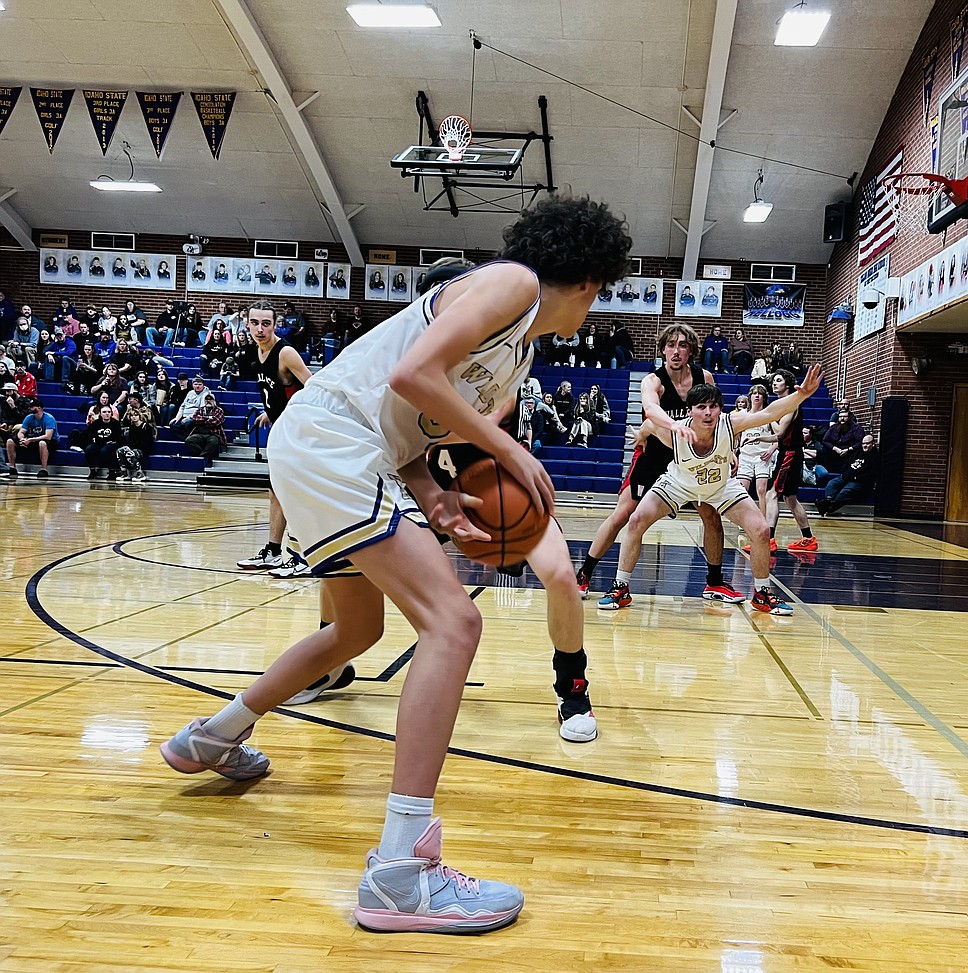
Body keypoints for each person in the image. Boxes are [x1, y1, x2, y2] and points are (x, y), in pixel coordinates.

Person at [158, 195, 631, 935]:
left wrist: (437, 495)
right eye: (603, 291)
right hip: (333, 443)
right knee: (455, 622)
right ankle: (401, 874)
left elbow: (408, 429)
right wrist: (508, 447)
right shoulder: (512, 285)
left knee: (354, 632)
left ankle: (213, 735)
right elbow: (413, 372)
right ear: (590, 281)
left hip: (346, 452)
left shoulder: (520, 351)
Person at [598, 371, 822, 616]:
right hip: (678, 483)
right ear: (689, 410)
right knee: (635, 521)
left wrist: (802, 395)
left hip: (720, 486)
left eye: (713, 407)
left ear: (720, 409)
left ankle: (761, 593)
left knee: (761, 529)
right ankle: (621, 587)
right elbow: (650, 422)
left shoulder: (730, 423)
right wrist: (641, 435)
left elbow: (771, 413)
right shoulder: (676, 430)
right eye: (701, 407)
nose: (707, 413)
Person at [576, 323, 739, 604]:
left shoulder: (705, 378)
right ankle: (584, 574)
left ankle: (714, 582)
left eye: (683, 345)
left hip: (693, 457)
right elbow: (650, 410)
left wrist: (728, 449)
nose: (676, 351)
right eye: (671, 345)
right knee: (624, 514)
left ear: (691, 351)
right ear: (662, 349)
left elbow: (718, 417)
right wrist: (675, 427)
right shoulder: (654, 381)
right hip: (656, 452)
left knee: (710, 515)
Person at [235, 300, 314, 578]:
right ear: (247, 324)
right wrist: (271, 412)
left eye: (265, 323)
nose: (260, 328)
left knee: (292, 494)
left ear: (275, 324)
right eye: (255, 323)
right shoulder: (257, 352)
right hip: (280, 429)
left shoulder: (286, 352)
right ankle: (273, 551)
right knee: (275, 492)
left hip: (296, 433)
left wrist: (293, 418)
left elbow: (313, 390)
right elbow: (280, 390)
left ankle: (302, 555)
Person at [760, 370, 818, 554]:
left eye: (778, 380)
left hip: (790, 455)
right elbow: (777, 438)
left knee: (772, 495)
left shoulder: (790, 405)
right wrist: (758, 439)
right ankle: (808, 538)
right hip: (788, 452)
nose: (774, 384)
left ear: (788, 384)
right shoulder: (783, 405)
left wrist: (769, 418)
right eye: (773, 381)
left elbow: (779, 432)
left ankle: (769, 540)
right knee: (790, 498)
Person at [734, 384, 777, 520]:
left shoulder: (769, 415)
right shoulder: (742, 415)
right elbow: (735, 436)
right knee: (742, 490)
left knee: (761, 490)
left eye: (760, 393)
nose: (757, 395)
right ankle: (743, 519)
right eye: (754, 393)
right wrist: (733, 452)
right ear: (750, 396)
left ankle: (762, 520)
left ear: (764, 397)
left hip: (762, 457)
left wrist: (771, 450)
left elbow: (779, 437)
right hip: (745, 456)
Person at [817, 435, 878, 515]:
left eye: (867, 443)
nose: (865, 445)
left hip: (859, 482)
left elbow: (870, 474)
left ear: (873, 444)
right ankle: (828, 502)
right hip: (846, 477)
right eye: (863, 443)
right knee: (831, 484)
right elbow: (846, 463)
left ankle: (828, 508)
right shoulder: (858, 452)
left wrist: (855, 477)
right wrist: (844, 473)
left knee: (845, 492)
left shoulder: (876, 457)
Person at [6, 398, 57, 478]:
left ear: (39, 408)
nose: (30, 408)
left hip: (49, 441)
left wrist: (30, 440)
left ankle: (44, 469)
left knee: (42, 443)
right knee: (10, 441)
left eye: (32, 407)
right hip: (32, 440)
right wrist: (22, 439)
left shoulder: (49, 418)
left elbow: (48, 436)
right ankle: (12, 467)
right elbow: (21, 432)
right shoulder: (29, 417)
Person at [117, 400, 157, 482]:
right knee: (120, 451)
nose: (134, 417)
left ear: (139, 416)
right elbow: (131, 441)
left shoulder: (146, 426)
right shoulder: (132, 427)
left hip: (144, 449)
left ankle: (140, 473)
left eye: (136, 415)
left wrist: (134, 449)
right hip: (134, 448)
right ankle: (124, 473)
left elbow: (148, 442)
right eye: (131, 416)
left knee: (130, 453)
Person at [81, 403, 123, 479]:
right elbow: (90, 435)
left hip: (112, 443)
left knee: (105, 450)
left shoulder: (115, 423)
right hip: (99, 443)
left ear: (111, 413)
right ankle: (93, 470)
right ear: (100, 414)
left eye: (108, 412)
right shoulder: (96, 423)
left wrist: (112, 441)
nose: (107, 414)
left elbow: (118, 437)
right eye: (104, 412)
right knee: (89, 449)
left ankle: (112, 471)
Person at [184, 392, 227, 459]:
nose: (208, 401)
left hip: (213, 434)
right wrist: (208, 418)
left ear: (214, 401)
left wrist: (202, 420)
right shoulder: (200, 409)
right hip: (199, 433)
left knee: (213, 442)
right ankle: (205, 457)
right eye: (206, 399)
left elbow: (215, 422)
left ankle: (203, 458)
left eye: (211, 399)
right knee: (189, 440)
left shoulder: (219, 410)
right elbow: (195, 419)